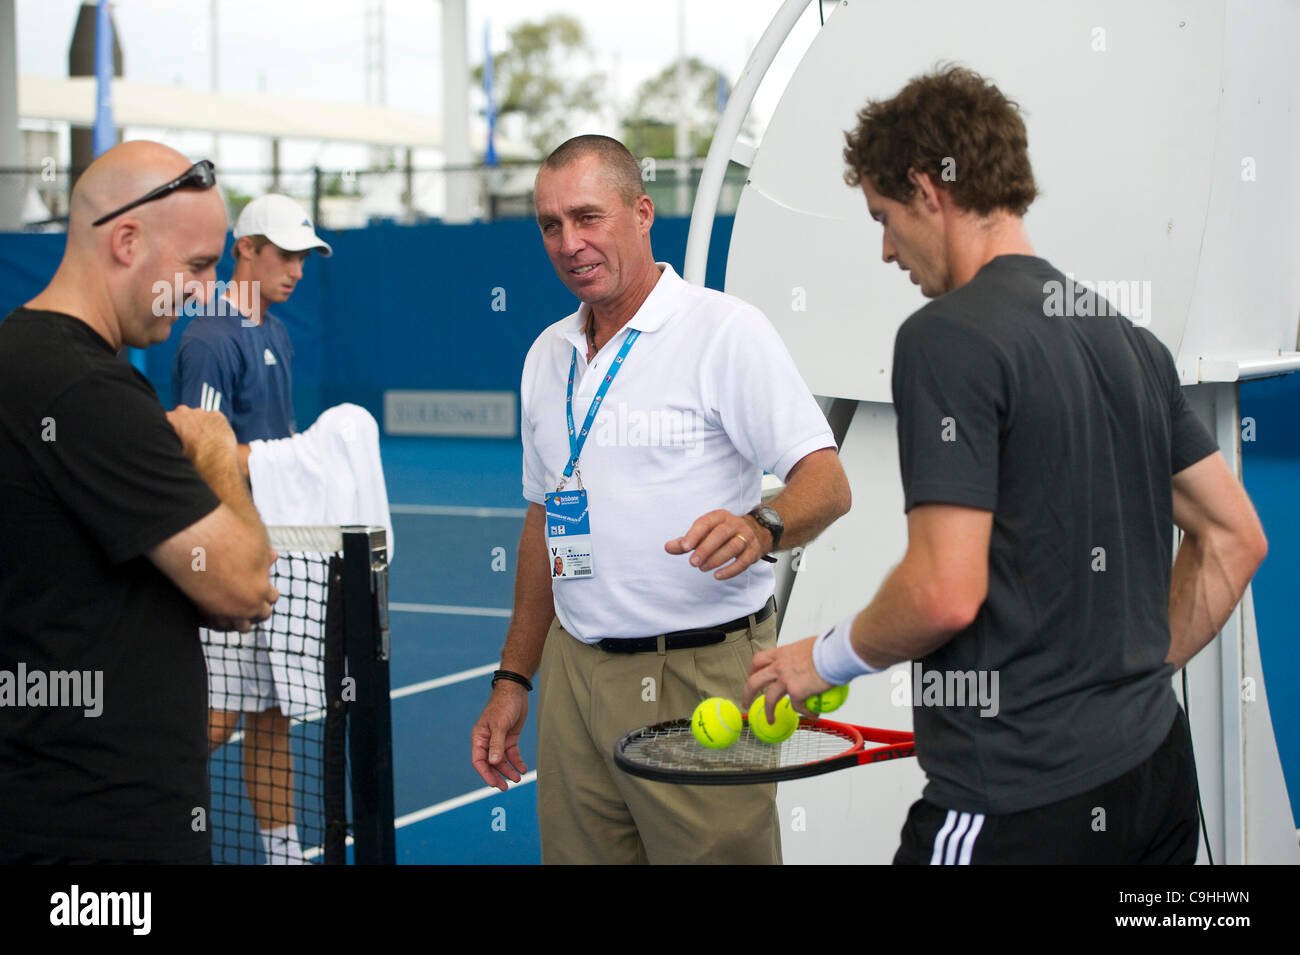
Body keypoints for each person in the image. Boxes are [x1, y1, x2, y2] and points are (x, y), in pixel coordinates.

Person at [743, 66, 1269, 864]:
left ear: (928, 187)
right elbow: (1235, 538)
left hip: (1022, 804)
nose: (885, 249)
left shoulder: (945, 337)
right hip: (1157, 772)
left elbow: (944, 590)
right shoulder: (1127, 340)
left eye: (883, 217)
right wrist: (1124, 677)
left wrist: (817, 659)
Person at [469, 134, 852, 865]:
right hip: (576, 674)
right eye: (550, 224)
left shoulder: (725, 332)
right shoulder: (546, 354)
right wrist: (514, 677)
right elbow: (546, 518)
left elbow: (827, 483)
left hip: (703, 679)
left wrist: (762, 524)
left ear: (642, 213)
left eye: (588, 217)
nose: (569, 242)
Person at [0, 140, 279, 864]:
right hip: (100, 830)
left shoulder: (23, 361)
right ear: (125, 240)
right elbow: (243, 586)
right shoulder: (83, 389)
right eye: (196, 265)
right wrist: (215, 445)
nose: (209, 288)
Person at [171, 192, 332, 865]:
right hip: (227, 556)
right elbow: (195, 451)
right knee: (211, 721)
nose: (297, 268)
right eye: (285, 254)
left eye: (304, 256)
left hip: (275, 551)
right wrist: (228, 551)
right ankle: (117, 810)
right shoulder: (209, 338)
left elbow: (273, 444)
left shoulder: (277, 331)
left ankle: (285, 853)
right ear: (246, 249)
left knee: (271, 715)